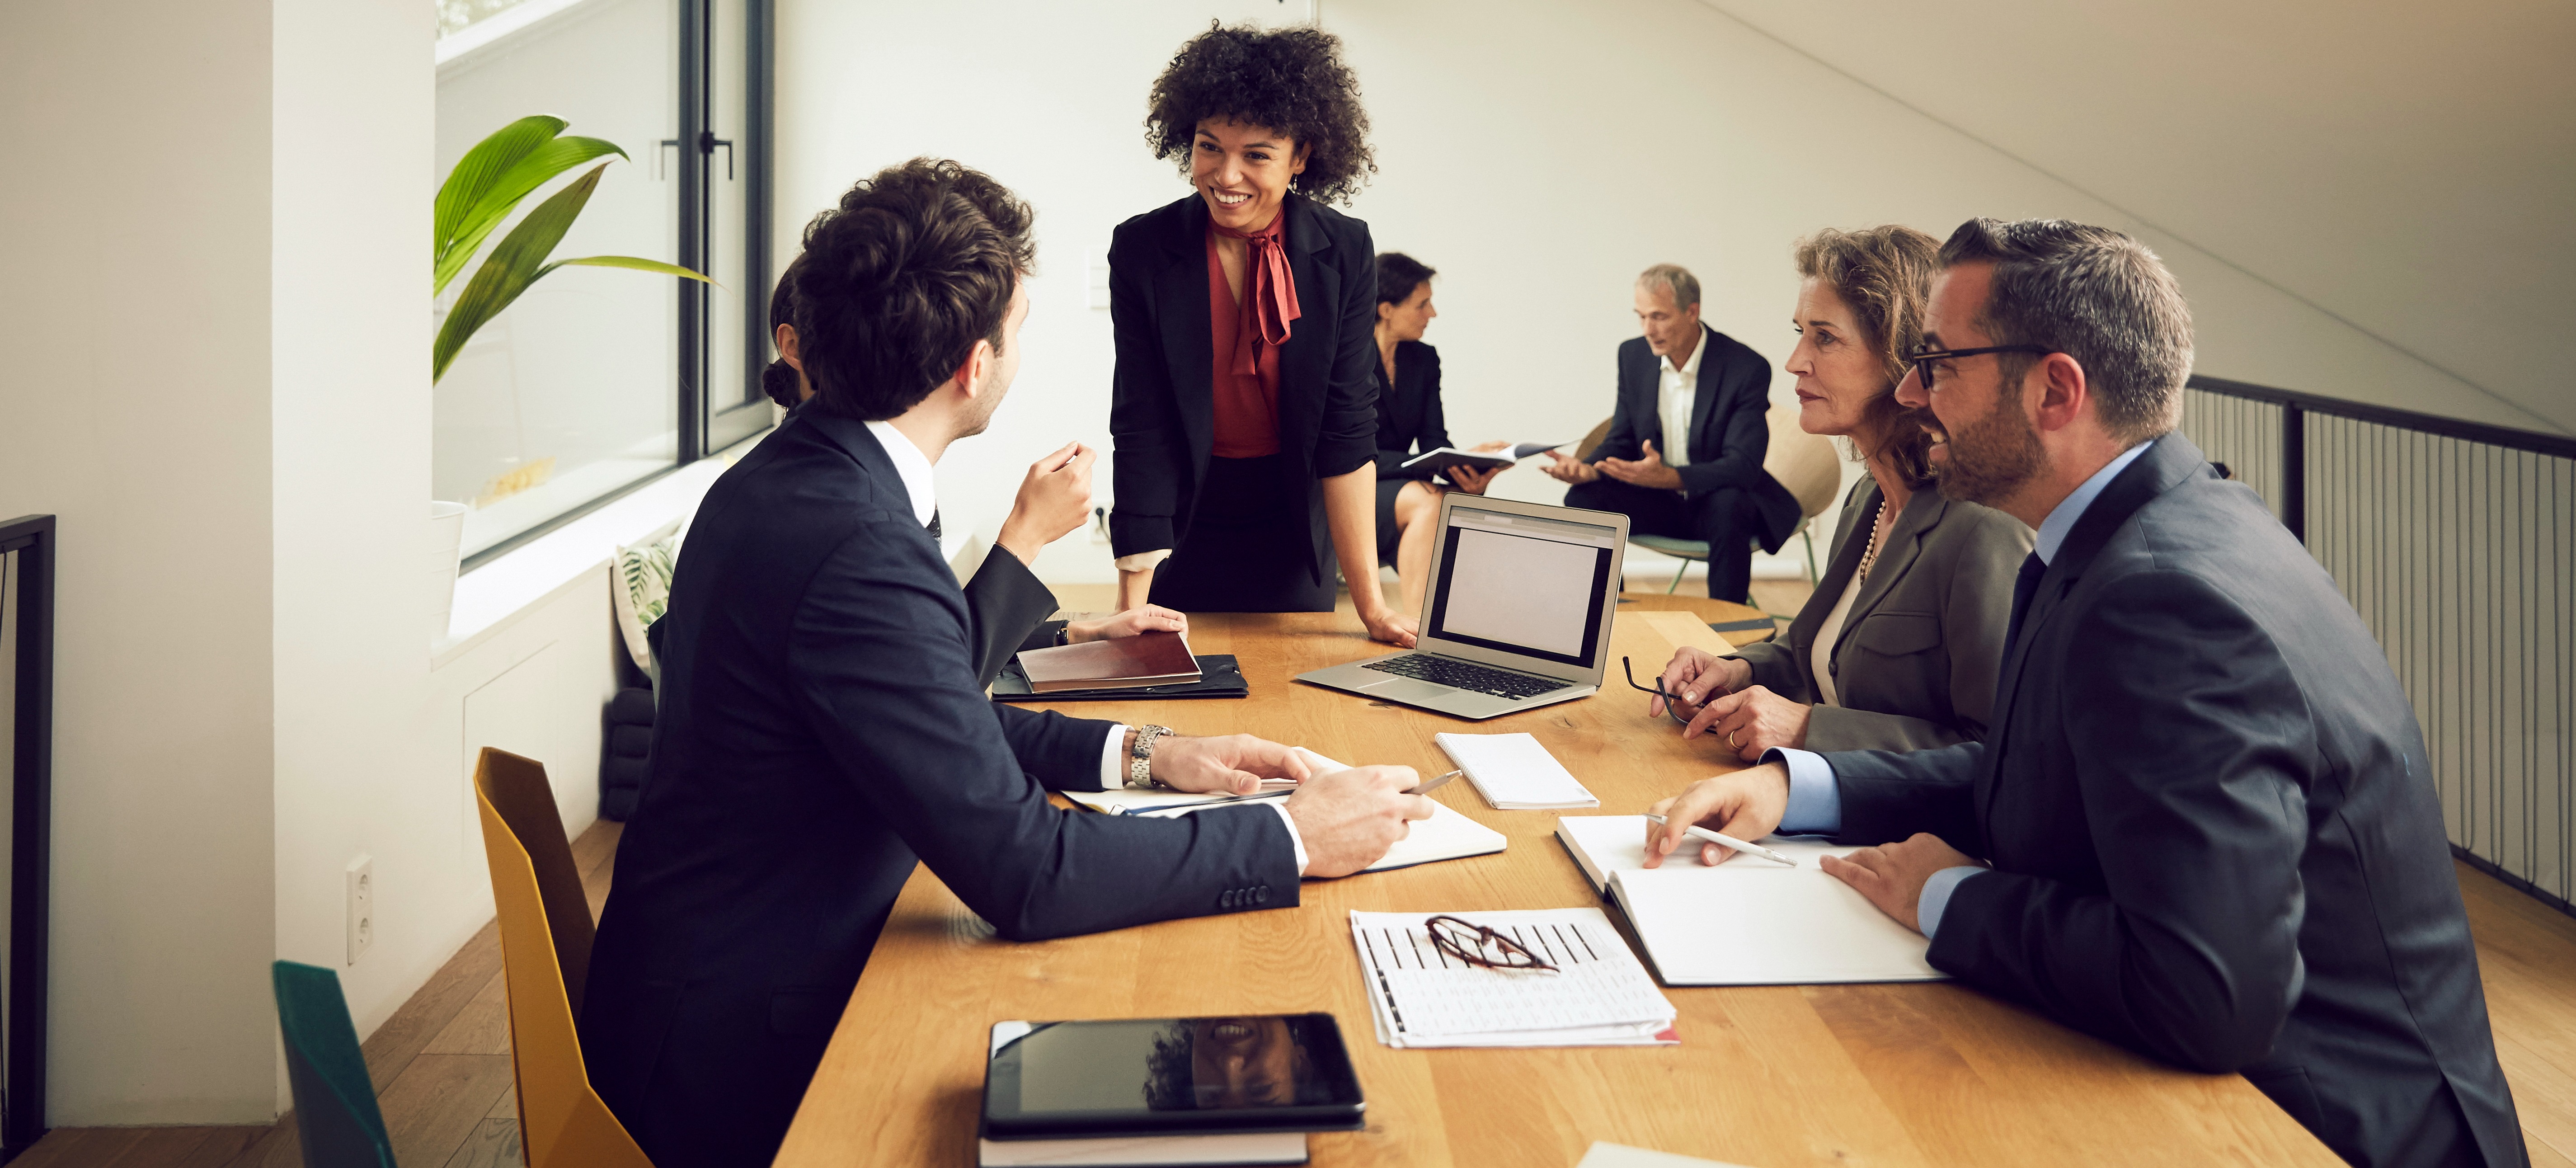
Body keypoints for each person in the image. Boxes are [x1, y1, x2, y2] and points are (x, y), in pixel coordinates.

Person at [581, 159, 1435, 1168]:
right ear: (973, 367)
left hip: (731, 968)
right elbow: (1028, 873)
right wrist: (1289, 834)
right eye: (1020, 328)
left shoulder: (801, 472)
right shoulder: (855, 540)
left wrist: (1149, 752)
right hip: (741, 1052)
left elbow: (935, 711)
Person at [1645, 219, 2523, 1168]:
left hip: (2315, 1126)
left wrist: (1946, 892)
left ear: (2056, 390)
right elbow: (2028, 767)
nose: (1909, 389)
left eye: (1936, 361)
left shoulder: (2165, 596)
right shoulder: (2121, 534)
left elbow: (2207, 993)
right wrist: (1801, 787)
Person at [1652, 226, 2031, 757]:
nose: (1794, 361)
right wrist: (1736, 670)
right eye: (1800, 332)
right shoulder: (1866, 500)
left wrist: (1810, 730)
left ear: (1902, 354)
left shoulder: (1983, 526)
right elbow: (1821, 654)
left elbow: (2001, 755)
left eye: (1824, 337)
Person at [1105, 23, 1415, 646]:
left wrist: (1373, 609)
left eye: (1257, 155)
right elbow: (1142, 425)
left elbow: (1346, 428)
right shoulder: (1142, 248)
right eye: (1210, 147)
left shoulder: (1346, 248)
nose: (1227, 175)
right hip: (1187, 518)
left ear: (1301, 156)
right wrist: (1127, 604)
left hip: (1292, 519)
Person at [762, 262, 1186, 685]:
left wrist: (1072, 634)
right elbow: (927, 684)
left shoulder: (867, 467)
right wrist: (1025, 535)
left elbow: (911, 642)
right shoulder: (838, 509)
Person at [1541, 264, 1800, 602]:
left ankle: (1726, 635)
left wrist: (1671, 477)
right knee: (1583, 500)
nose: (1648, 329)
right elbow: (1622, 436)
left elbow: (1743, 466)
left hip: (1717, 504)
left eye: (1659, 317)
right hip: (1660, 503)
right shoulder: (1633, 356)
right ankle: (1605, 618)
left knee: (1730, 505)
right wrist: (1589, 470)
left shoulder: (1745, 367)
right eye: (1641, 317)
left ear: (1692, 312)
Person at [1368, 251, 1508, 615]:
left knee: (1459, 500)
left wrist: (1468, 467)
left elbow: (1435, 440)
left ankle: (1464, 626)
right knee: (1431, 502)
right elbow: (1347, 452)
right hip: (1347, 488)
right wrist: (1425, 466)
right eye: (1422, 304)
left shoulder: (1423, 359)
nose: (1432, 314)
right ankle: (1420, 629)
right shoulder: (1343, 360)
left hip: (1399, 483)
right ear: (1386, 309)